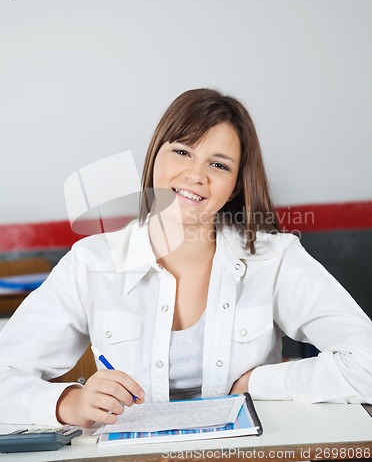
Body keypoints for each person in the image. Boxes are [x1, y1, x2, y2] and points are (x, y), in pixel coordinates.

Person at [0, 88, 371, 428]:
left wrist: (262, 382)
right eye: (182, 152)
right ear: (155, 156)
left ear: (235, 186)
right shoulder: (90, 263)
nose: (195, 175)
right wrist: (68, 402)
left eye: (219, 165)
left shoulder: (275, 258)